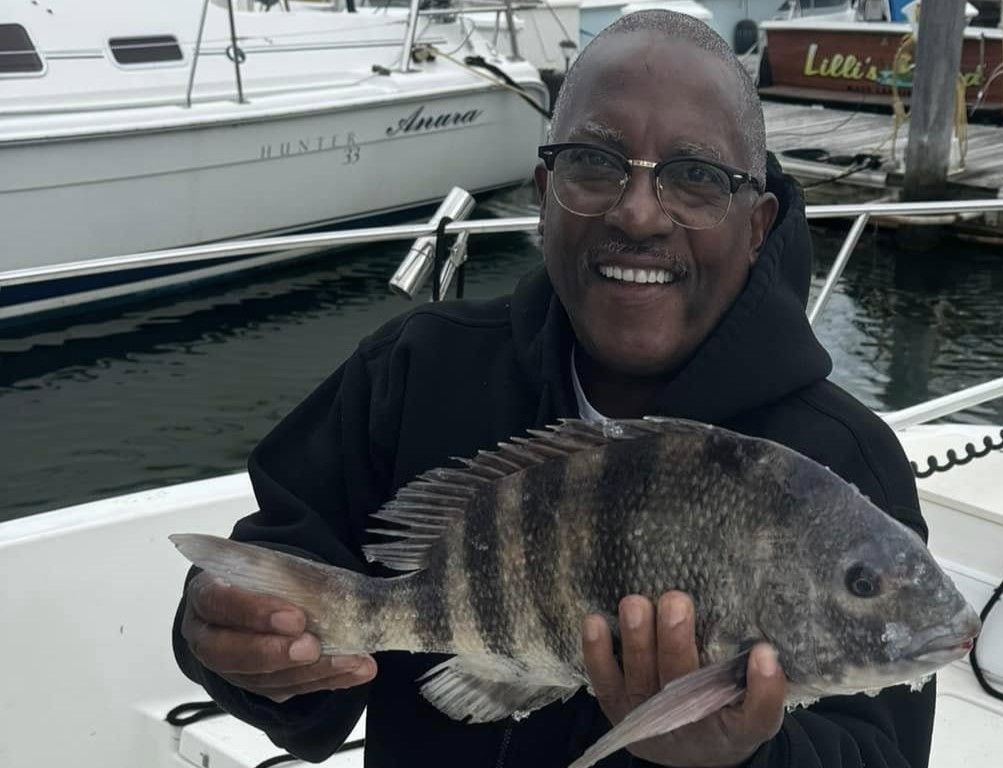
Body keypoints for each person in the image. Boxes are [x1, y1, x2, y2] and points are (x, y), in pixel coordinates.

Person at [172, 10, 935, 768]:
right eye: (595, 164)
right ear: (546, 192)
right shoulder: (413, 374)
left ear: (756, 222)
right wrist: (236, 645)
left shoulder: (846, 463)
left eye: (696, 178)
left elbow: (882, 755)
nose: (639, 213)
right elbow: (287, 601)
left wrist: (739, 761)